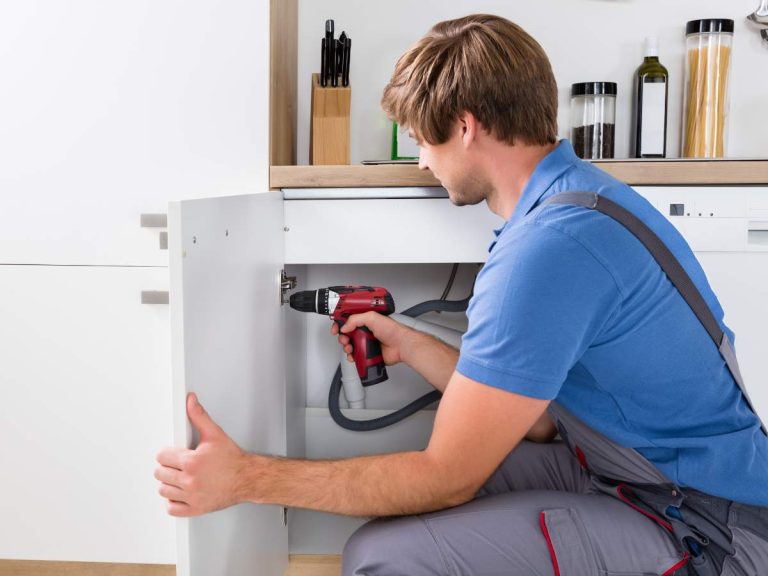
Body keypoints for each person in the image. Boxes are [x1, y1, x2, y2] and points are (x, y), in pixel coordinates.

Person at [155, 14, 768, 575]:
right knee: (447, 469)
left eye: (424, 140)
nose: (422, 162)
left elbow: (445, 478)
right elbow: (532, 424)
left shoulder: (547, 250)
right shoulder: (577, 196)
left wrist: (245, 479)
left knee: (379, 557)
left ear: (466, 126)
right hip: (629, 469)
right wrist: (411, 343)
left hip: (706, 527)